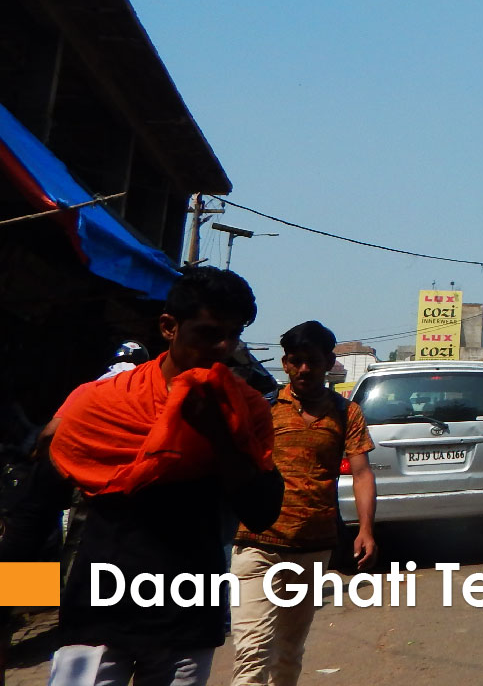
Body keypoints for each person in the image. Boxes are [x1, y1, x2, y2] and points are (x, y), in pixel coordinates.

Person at [47, 267, 283, 686]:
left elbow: (262, 511)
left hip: (187, 617)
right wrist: (9, 604)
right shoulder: (101, 402)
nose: (224, 348)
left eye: (234, 334)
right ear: (169, 327)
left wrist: (220, 438)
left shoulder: (244, 410)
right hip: (97, 613)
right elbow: (33, 510)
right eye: (209, 334)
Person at [230, 320, 376, 686]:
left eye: (312, 361)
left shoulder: (346, 414)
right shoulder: (262, 408)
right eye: (295, 361)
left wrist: (366, 530)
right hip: (256, 545)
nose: (303, 370)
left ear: (328, 361)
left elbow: (361, 473)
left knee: (288, 654)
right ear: (285, 362)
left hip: (312, 548)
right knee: (252, 653)